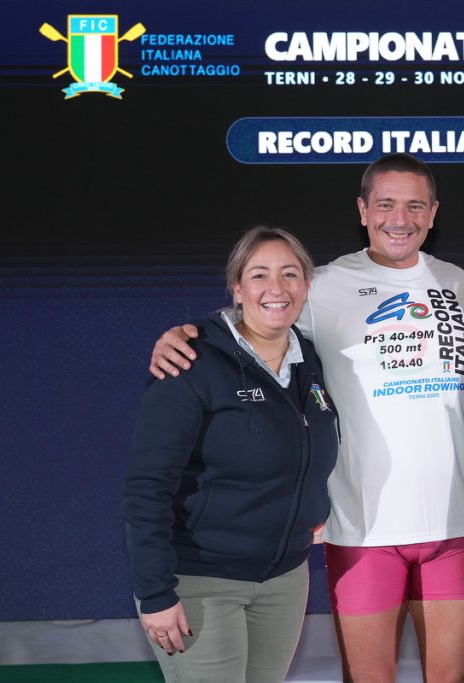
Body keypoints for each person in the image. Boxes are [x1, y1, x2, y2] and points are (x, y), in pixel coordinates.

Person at [148, 154, 464, 683]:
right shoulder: (324, 284)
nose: (400, 218)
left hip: (456, 526)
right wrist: (185, 334)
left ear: (433, 213)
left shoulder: (458, 283)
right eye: (385, 204)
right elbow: (256, 316)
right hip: (361, 530)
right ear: (363, 210)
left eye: (415, 206)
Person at [123, 226, 339, 682]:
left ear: (306, 285)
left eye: (289, 274)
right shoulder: (191, 359)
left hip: (284, 580)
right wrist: (156, 591)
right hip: (201, 580)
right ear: (237, 288)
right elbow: (147, 486)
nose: (276, 288)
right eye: (259, 275)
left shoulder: (313, 359)